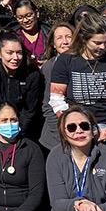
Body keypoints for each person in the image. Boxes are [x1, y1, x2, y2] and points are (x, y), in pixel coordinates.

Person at [48, 14, 106, 165]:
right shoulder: (66, 61)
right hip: (76, 131)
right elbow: (57, 99)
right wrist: (76, 126)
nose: (102, 47)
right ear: (83, 39)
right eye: (97, 43)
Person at [0, 32, 44, 141]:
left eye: (19, 53)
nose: (15, 57)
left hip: (22, 129)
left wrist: (18, 132)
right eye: (10, 53)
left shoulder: (32, 74)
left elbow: (29, 110)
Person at [39, 23, 74, 152]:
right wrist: (62, 132)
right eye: (59, 38)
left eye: (68, 37)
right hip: (55, 137)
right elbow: (47, 105)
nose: (65, 42)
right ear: (53, 44)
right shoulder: (49, 67)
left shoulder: (85, 63)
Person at [14, 0, 49, 66]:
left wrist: (49, 63)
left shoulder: (49, 34)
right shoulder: (13, 36)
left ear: (37, 13)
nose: (25, 20)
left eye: (29, 15)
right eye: (20, 18)